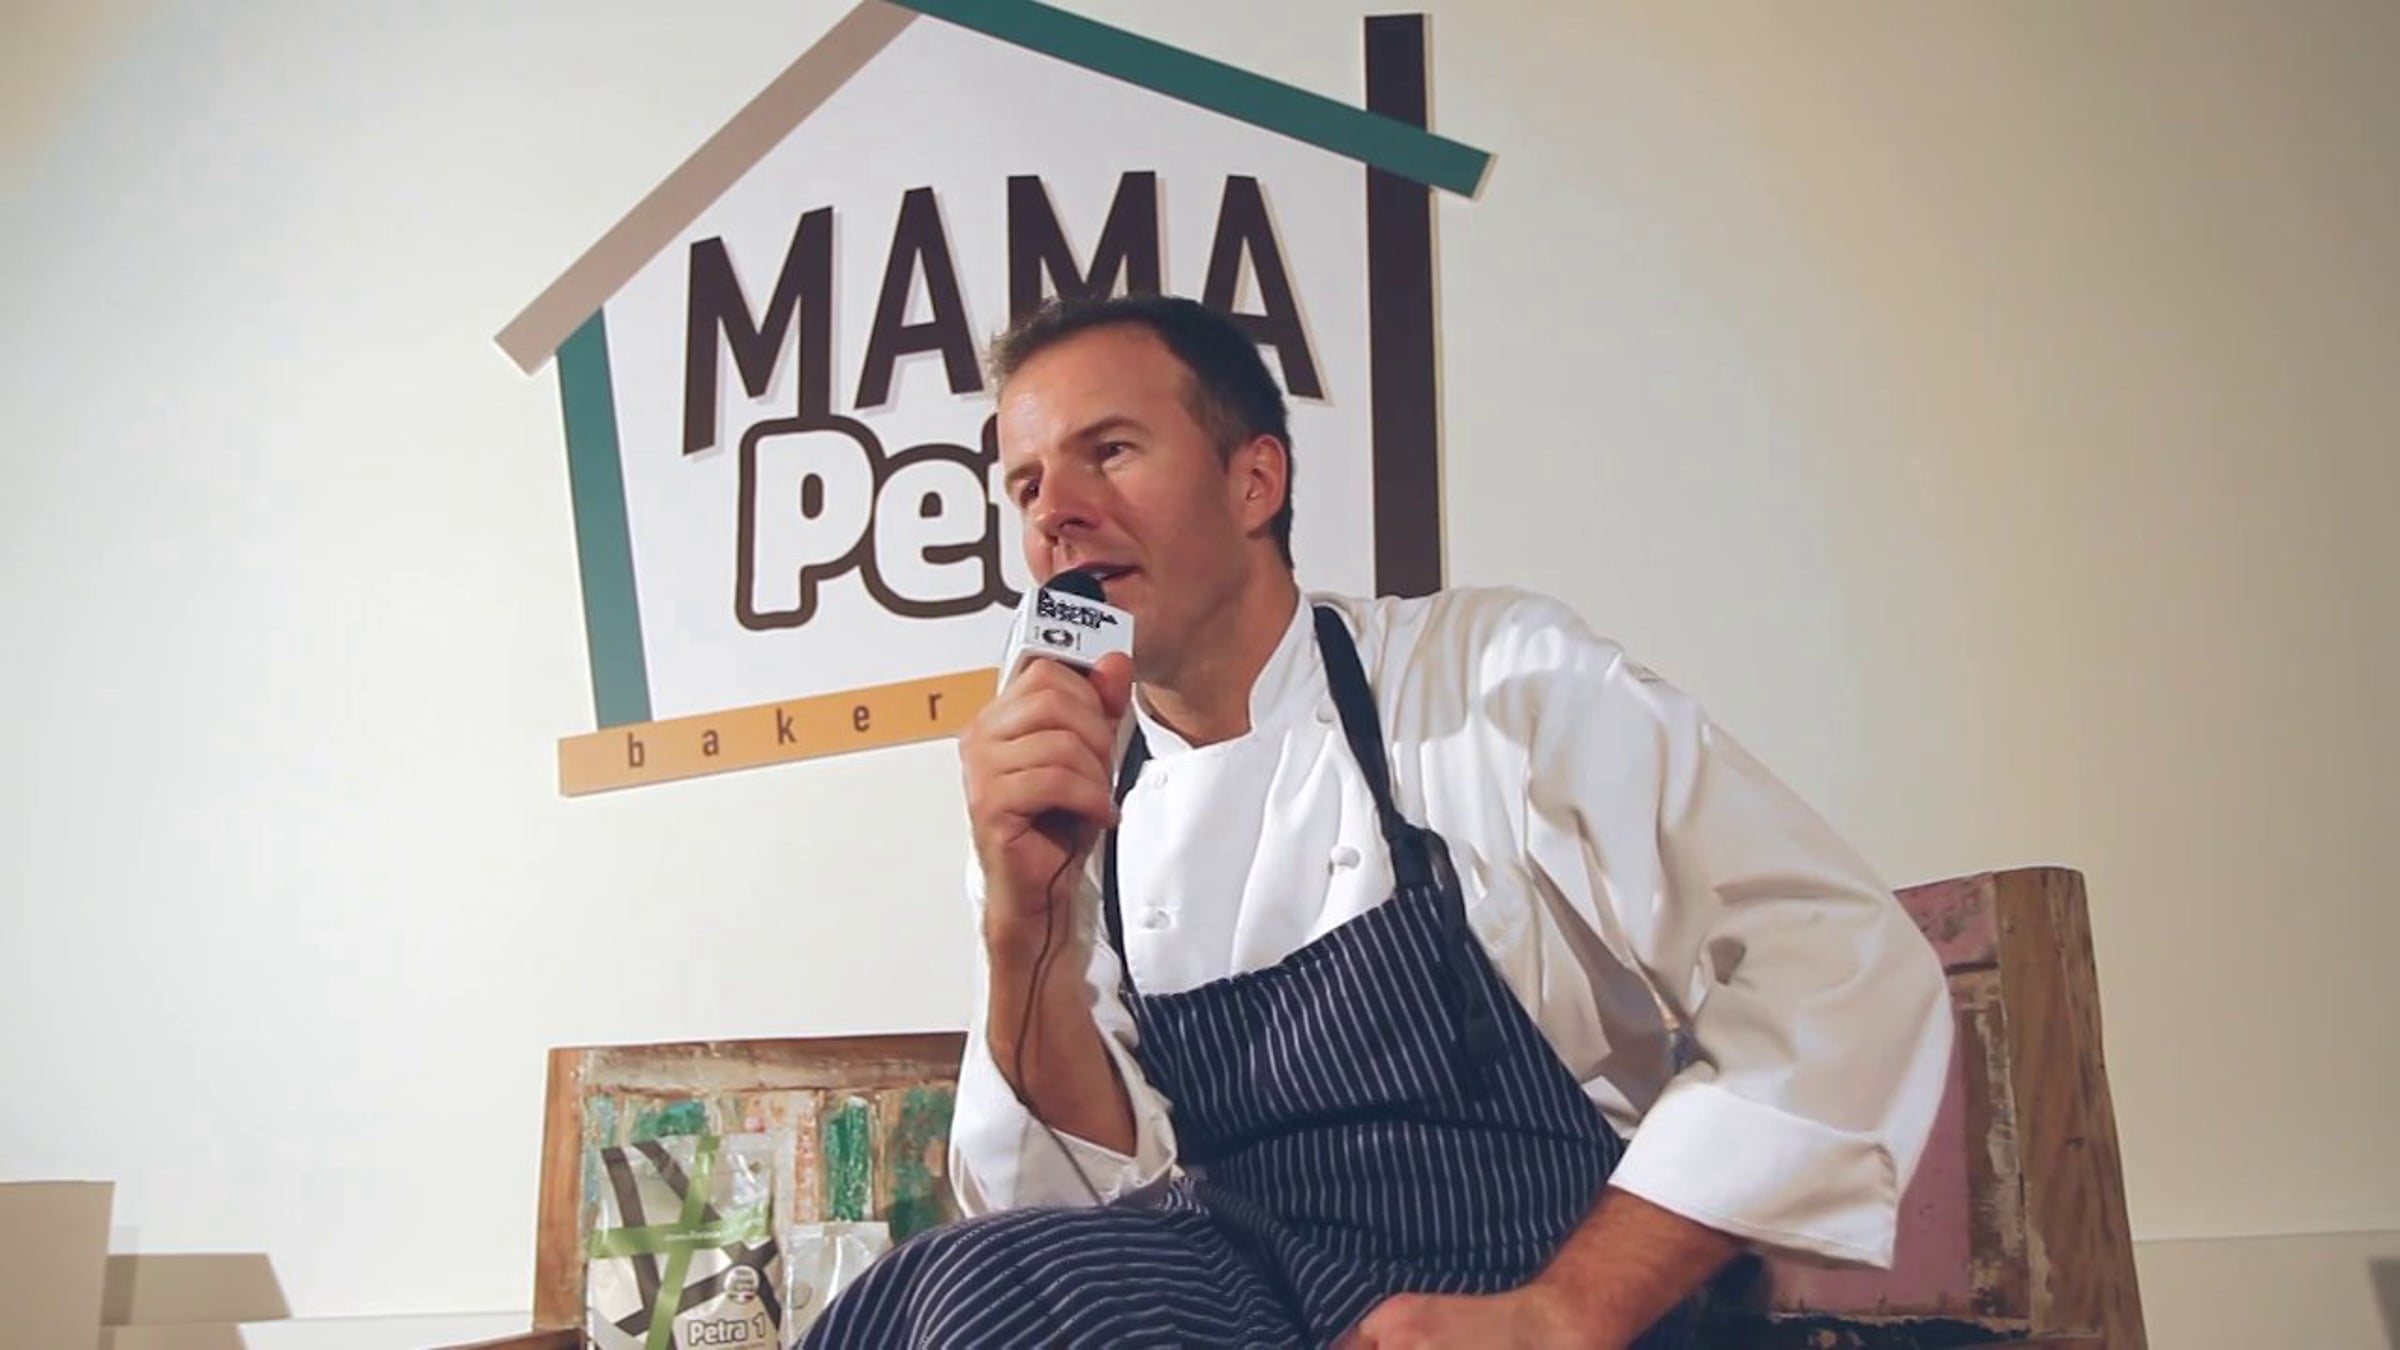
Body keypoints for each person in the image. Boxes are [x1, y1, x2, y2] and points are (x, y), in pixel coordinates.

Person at [801, 294, 1954, 1349]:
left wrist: (1569, 1311)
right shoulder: (1066, 795)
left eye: (1109, 450)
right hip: (1247, 1301)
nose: (1057, 512)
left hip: (1536, 1291)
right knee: (948, 1288)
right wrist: (1027, 924)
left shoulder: (1488, 680)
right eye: (1025, 485)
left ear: (1254, 483)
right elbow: (1065, 1208)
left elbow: (1832, 966)